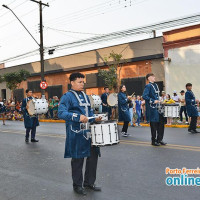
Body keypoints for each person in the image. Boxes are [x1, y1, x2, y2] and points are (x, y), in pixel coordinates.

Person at [58, 72, 101, 196]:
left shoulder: (85, 96)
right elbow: (61, 113)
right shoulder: (67, 97)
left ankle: (89, 183)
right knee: (78, 159)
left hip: (89, 131)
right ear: (72, 82)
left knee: (93, 157)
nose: (83, 84)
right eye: (80, 82)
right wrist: (77, 116)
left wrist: (95, 118)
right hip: (76, 132)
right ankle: (77, 185)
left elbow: (89, 113)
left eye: (83, 82)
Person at [142, 73, 167, 146]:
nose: (154, 77)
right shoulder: (148, 86)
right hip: (152, 108)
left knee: (161, 124)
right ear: (149, 78)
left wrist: (160, 100)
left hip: (159, 108)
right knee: (154, 125)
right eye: (153, 76)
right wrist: (153, 101)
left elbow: (157, 96)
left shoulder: (156, 85)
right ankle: (153, 141)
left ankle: (160, 139)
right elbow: (144, 96)